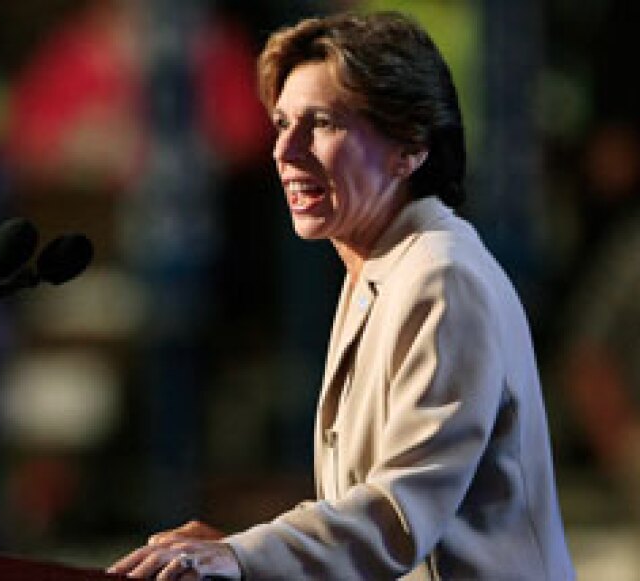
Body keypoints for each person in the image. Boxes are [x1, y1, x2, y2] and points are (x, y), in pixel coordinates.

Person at [108, 10, 575, 580]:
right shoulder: (377, 270)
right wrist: (239, 549)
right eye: (282, 124)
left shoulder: (442, 277)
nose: (287, 151)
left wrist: (243, 555)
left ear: (409, 146)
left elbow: (398, 515)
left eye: (323, 123)